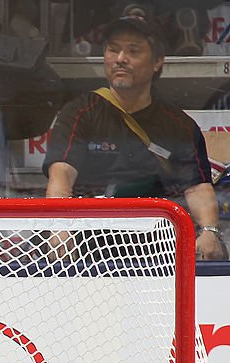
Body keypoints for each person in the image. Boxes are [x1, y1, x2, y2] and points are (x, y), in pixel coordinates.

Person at [44, 15, 227, 261]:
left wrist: (208, 231)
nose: (120, 59)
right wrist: (59, 226)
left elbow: (197, 187)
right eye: (113, 50)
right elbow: (62, 173)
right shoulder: (80, 112)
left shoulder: (178, 124)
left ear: (157, 62)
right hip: (87, 242)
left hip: (156, 245)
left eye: (133, 51)